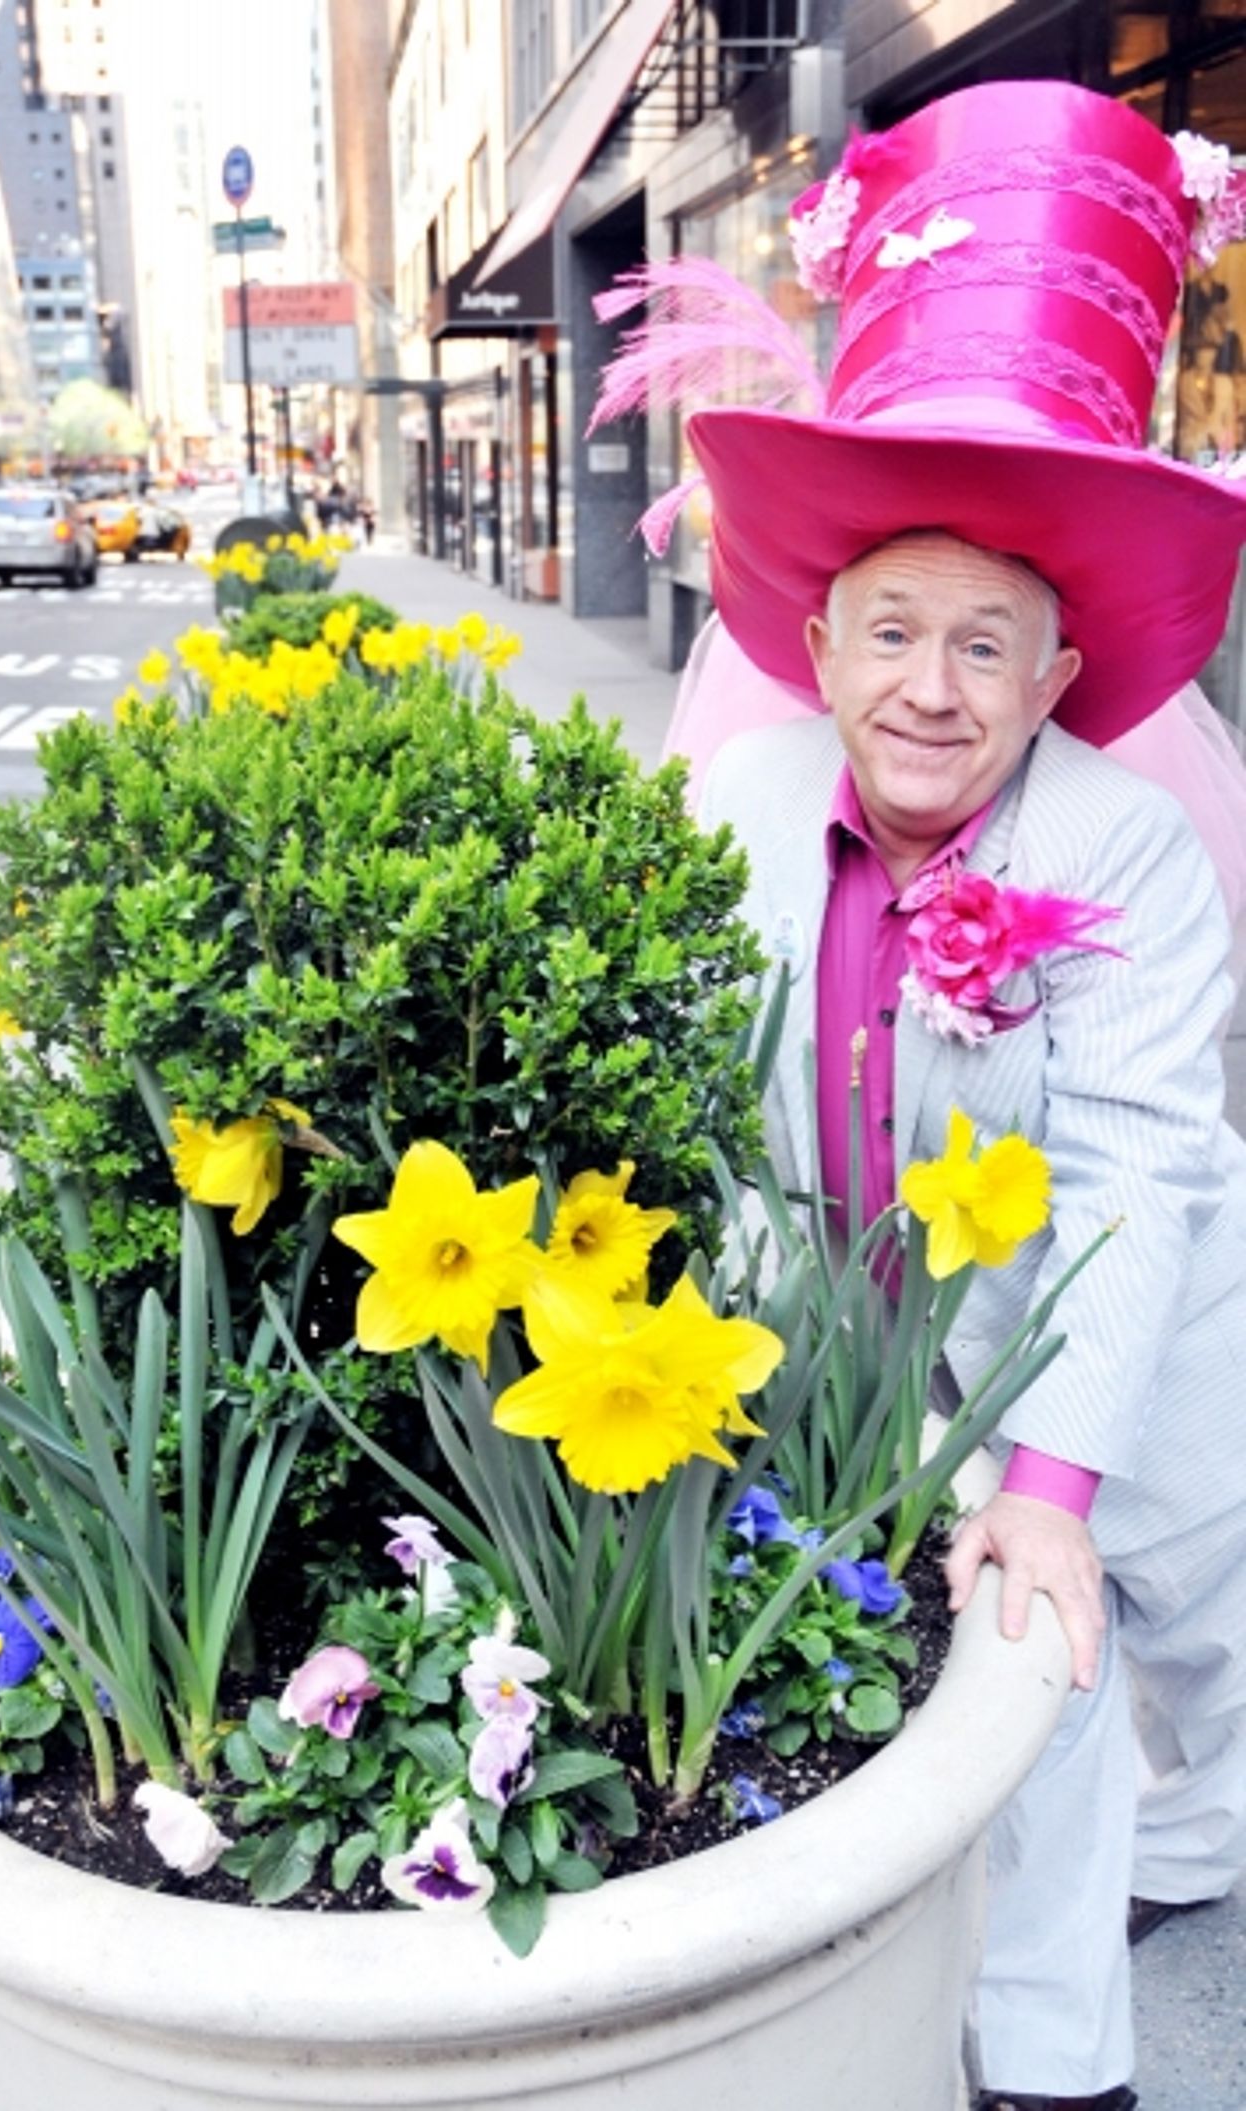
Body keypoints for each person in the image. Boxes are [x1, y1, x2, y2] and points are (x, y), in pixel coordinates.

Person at [593, 79, 1246, 2111]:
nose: (933, 689)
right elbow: (687, 1101)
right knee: (1032, 1679)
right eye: (892, 631)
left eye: (988, 645)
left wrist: (1055, 1473)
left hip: (1134, 1322)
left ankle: (1213, 1817)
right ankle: (1059, 2071)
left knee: (1200, 1603)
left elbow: (1140, 1160)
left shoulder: (1126, 849)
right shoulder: (730, 801)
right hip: (875, 1363)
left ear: (1057, 683)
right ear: (815, 641)